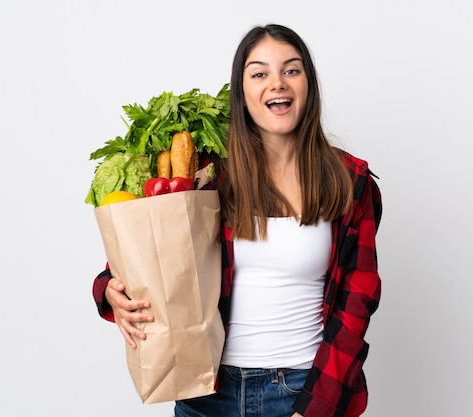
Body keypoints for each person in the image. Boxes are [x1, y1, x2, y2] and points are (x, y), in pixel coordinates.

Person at [92, 23, 382, 417]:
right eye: (260, 73)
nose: (277, 83)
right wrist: (109, 291)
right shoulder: (209, 178)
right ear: (242, 93)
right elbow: (146, 258)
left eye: (291, 70)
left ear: (308, 85)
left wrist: (315, 408)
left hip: (301, 390)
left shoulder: (349, 181)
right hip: (206, 391)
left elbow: (357, 302)